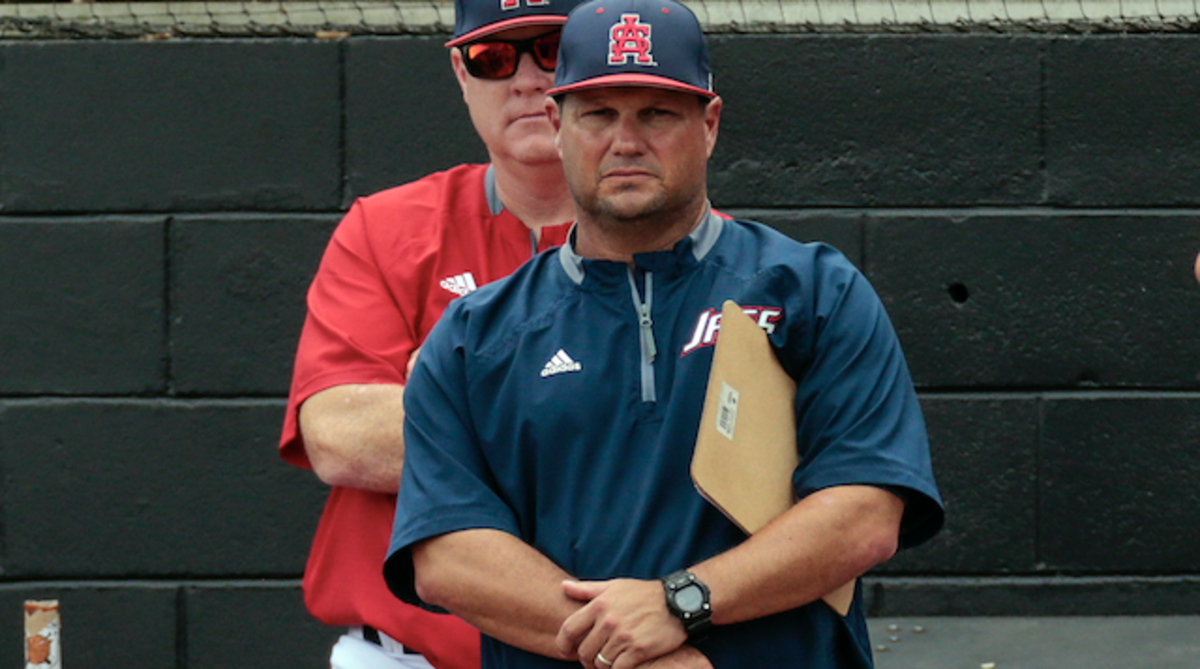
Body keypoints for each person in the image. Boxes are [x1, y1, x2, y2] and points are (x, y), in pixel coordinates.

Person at [383, 0, 945, 667]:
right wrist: (636, 655)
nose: (626, 141)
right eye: (598, 114)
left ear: (707, 125)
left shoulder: (812, 289)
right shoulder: (476, 334)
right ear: (557, 125)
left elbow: (865, 511)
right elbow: (448, 555)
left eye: (657, 113)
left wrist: (682, 600)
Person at [278, 0, 587, 666]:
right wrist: (585, 411)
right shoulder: (386, 228)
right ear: (461, 73)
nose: (529, 79)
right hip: (407, 652)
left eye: (554, 50)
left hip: (610, 644)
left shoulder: (698, 248)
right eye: (496, 57)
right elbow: (338, 436)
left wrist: (447, 396)